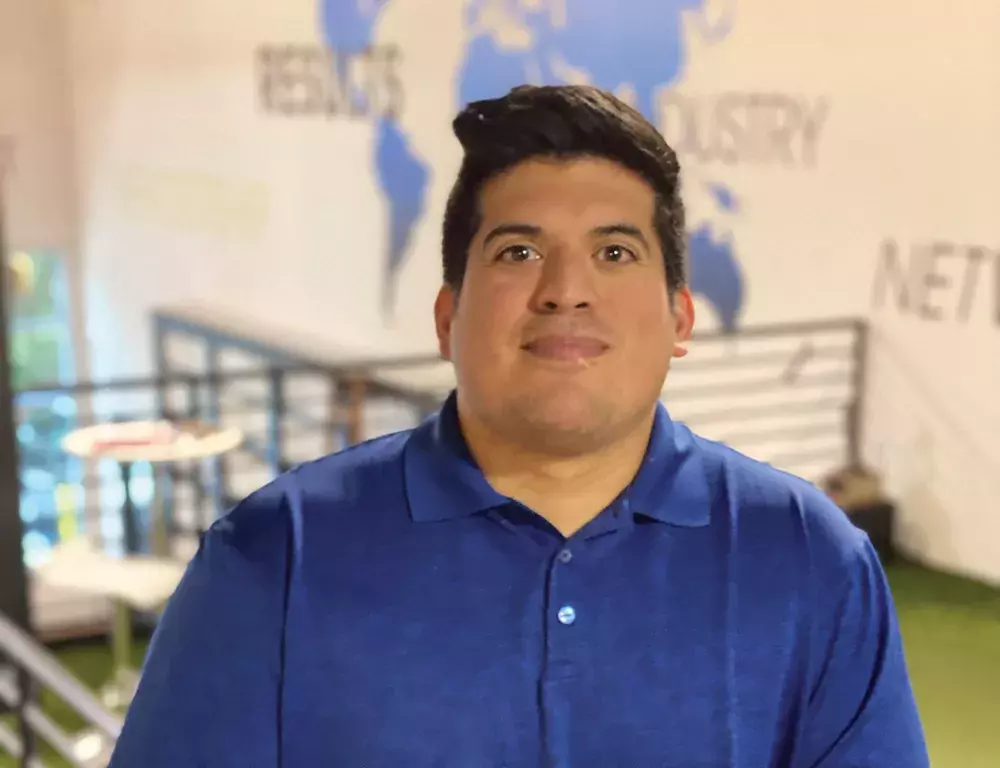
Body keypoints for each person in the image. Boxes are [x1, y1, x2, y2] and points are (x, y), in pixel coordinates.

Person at [109, 85, 929, 767]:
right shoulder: (275, 554)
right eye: (517, 253)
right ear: (446, 317)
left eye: (614, 253)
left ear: (680, 317)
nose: (565, 290)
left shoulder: (810, 559)